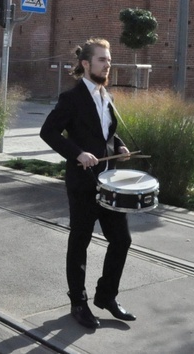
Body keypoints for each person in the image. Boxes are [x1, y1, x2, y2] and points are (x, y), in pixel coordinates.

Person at [39, 37, 134, 330]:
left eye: (109, 60)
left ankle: (106, 296)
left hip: (108, 181)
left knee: (122, 239)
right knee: (80, 241)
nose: (108, 65)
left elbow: (104, 133)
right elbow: (48, 131)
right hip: (82, 182)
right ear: (86, 64)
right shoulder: (72, 98)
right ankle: (78, 302)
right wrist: (77, 153)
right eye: (102, 60)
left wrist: (118, 146)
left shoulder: (108, 97)